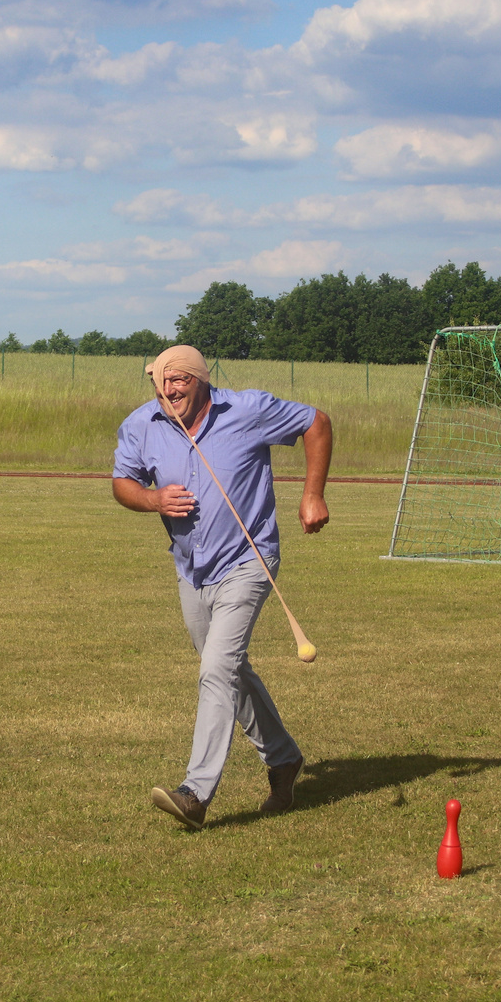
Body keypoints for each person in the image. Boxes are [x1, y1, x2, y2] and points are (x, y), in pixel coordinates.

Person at [112, 345, 332, 829]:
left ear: (201, 380)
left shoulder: (247, 410)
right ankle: (283, 758)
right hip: (191, 569)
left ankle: (195, 793)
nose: (170, 391)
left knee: (216, 666)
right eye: (162, 382)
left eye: (180, 382)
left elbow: (316, 422)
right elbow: (122, 481)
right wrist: (151, 500)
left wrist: (312, 493)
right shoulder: (142, 424)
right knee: (230, 670)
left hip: (249, 562)